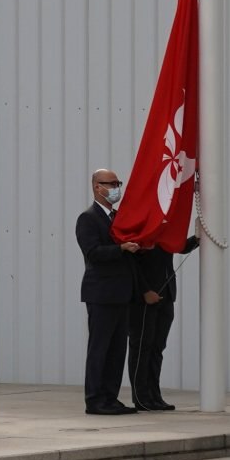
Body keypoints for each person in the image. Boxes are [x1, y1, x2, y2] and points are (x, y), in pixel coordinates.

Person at [74, 169, 140, 415]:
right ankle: (95, 399)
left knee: (117, 349)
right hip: (101, 292)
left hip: (121, 292)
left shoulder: (119, 217)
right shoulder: (88, 218)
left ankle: (110, 397)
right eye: (109, 184)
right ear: (96, 186)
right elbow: (93, 253)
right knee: (100, 348)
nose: (115, 188)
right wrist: (121, 249)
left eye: (117, 183)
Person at [129, 235, 198, 411]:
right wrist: (145, 290)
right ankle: (141, 397)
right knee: (142, 347)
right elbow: (132, 263)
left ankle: (154, 395)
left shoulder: (166, 229)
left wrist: (197, 238)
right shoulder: (142, 227)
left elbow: (178, 245)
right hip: (147, 297)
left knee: (157, 347)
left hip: (166, 295)